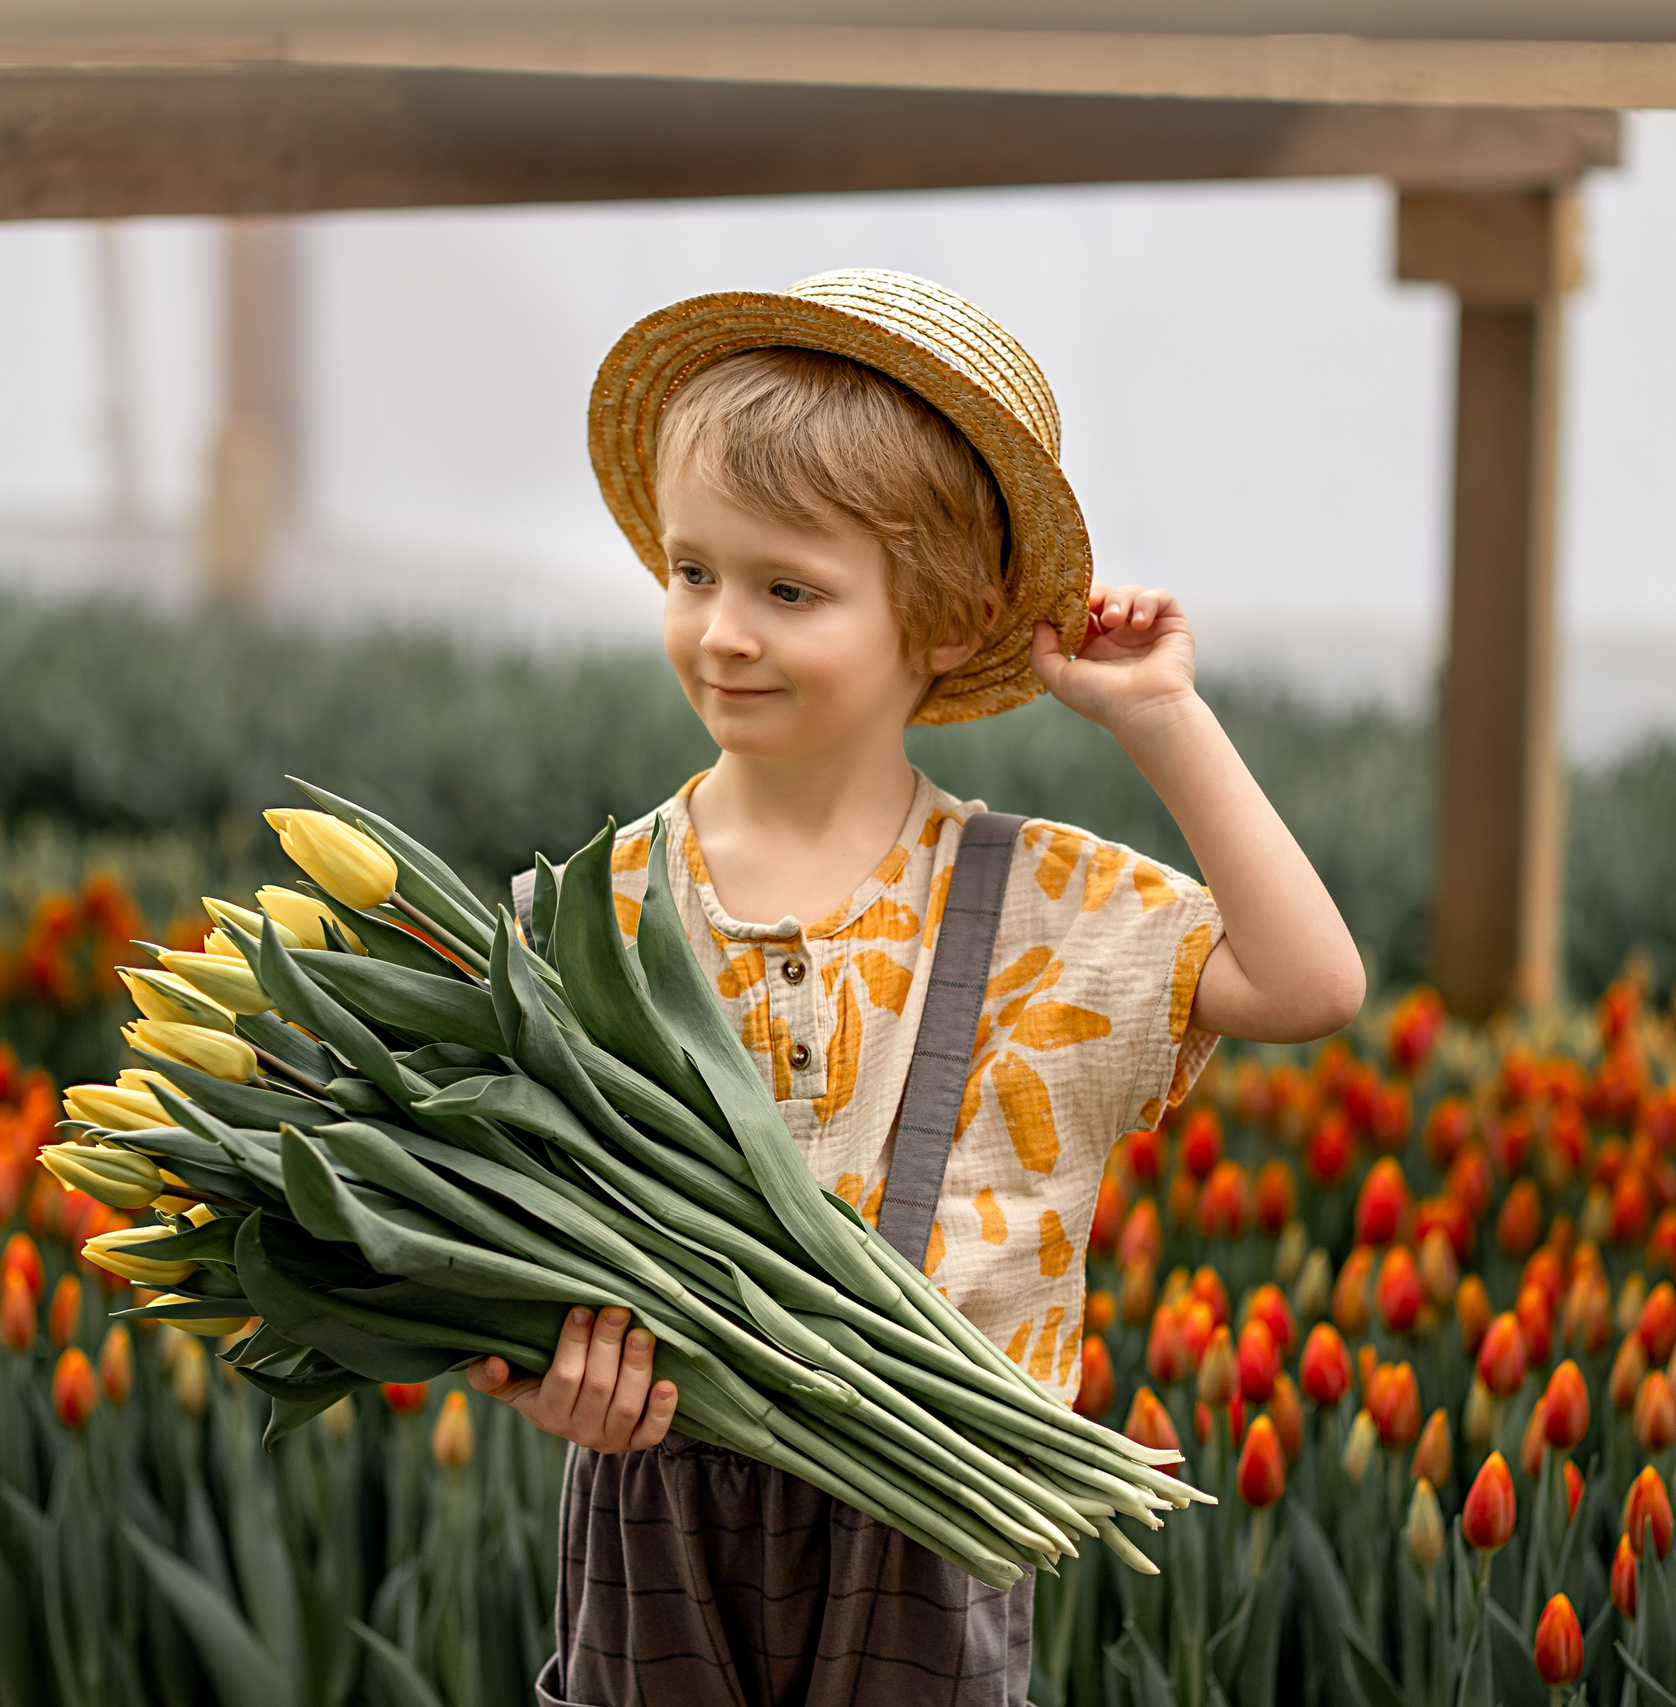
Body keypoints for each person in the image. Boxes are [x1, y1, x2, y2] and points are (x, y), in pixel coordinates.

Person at [467, 269, 1364, 1707]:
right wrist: (543, 1375)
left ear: (949, 620)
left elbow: (1310, 982)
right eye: (693, 573)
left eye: (788, 590)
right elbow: (514, 1233)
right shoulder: (588, 915)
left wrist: (1162, 719)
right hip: (655, 1498)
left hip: (936, 1510)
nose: (723, 631)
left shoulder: (1042, 911)